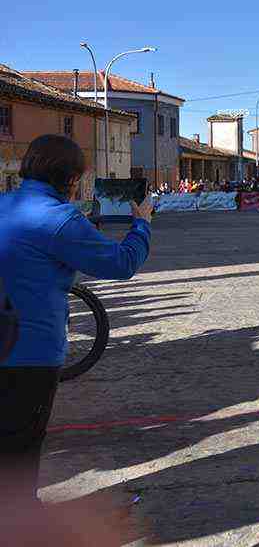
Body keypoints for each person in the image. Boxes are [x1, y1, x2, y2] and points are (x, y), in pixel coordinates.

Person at [0, 135, 153, 506]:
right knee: (20, 455)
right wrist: (142, 224)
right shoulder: (60, 218)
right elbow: (121, 263)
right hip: (28, 352)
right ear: (71, 180)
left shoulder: (5, 204)